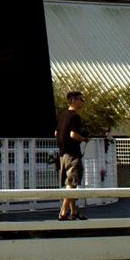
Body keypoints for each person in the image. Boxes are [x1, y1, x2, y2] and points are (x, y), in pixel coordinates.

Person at [54, 90, 87, 221]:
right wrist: (84, 138)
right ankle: (63, 213)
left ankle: (74, 212)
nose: (82, 102)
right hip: (72, 154)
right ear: (74, 100)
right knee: (72, 183)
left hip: (62, 154)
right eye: (81, 99)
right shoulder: (75, 117)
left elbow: (56, 133)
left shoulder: (62, 115)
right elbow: (73, 134)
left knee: (70, 183)